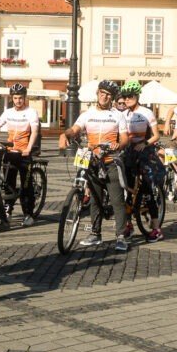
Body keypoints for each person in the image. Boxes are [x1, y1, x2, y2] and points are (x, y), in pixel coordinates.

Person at [58, 80, 130, 251]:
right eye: (102, 93)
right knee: (95, 200)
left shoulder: (118, 115)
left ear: (112, 98)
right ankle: (95, 234)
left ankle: (121, 236)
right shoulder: (87, 114)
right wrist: (65, 134)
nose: (104, 97)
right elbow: (74, 129)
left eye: (109, 95)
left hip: (111, 161)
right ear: (97, 93)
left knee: (117, 200)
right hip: (92, 161)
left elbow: (125, 138)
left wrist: (118, 145)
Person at [118, 80, 165, 242]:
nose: (127, 99)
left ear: (137, 96)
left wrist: (144, 143)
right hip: (129, 154)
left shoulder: (147, 112)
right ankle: (128, 225)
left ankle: (157, 229)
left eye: (130, 96)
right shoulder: (123, 114)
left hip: (145, 152)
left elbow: (156, 136)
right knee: (127, 189)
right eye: (125, 97)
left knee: (147, 190)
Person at [0, 83, 41, 227]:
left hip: (24, 153)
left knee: (26, 185)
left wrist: (28, 148)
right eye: (15, 98)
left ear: (25, 98)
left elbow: (35, 132)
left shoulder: (31, 112)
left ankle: (28, 214)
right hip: (10, 153)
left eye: (20, 98)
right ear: (12, 98)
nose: (18, 101)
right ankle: (8, 210)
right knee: (7, 183)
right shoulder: (8, 112)